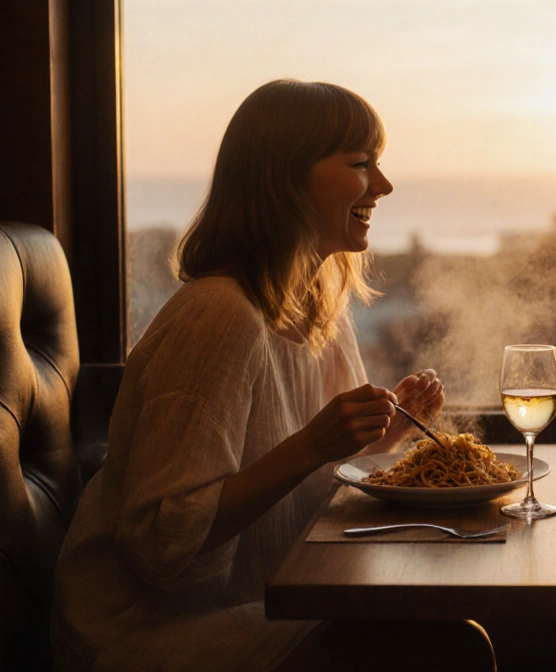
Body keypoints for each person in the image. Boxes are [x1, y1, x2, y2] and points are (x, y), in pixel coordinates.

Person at [51, 80, 495, 671]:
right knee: (451, 648)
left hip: (270, 597)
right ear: (286, 179)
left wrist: (379, 438)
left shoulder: (318, 309)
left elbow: (313, 470)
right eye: (362, 163)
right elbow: (162, 543)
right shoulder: (219, 315)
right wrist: (313, 442)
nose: (383, 186)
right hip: (155, 633)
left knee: (447, 629)